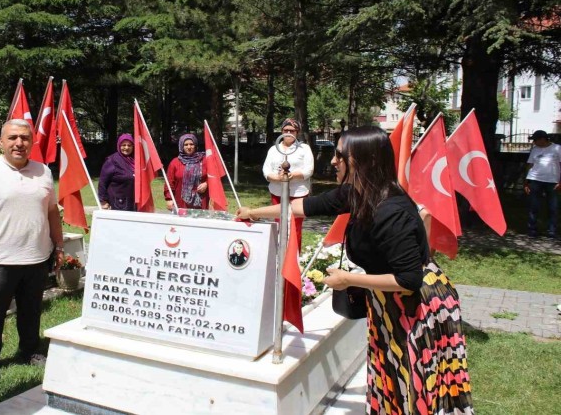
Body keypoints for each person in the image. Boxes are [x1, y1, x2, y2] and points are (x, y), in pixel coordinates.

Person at [237, 126, 473, 414]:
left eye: (340, 155)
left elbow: (409, 279)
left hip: (418, 306)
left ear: (363, 160)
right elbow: (303, 207)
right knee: (391, 376)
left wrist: (348, 279)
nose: (333, 161)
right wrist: (254, 213)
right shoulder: (358, 193)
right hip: (390, 301)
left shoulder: (391, 210)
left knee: (415, 383)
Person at [0, 119, 65, 381]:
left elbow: (52, 211)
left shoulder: (43, 171)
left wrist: (59, 244)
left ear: (32, 141)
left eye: (24, 138)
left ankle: (30, 350)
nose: (19, 143)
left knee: (31, 308)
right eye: (12, 138)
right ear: (1, 142)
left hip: (36, 256)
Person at [262, 118, 314, 247]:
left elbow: (309, 170)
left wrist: (292, 175)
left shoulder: (304, 149)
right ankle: (278, 256)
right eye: (286, 130)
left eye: (292, 131)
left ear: (297, 132)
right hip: (277, 192)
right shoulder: (274, 149)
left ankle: (294, 259)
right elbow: (266, 169)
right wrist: (276, 178)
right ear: (281, 131)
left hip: (298, 194)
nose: (288, 133)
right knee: (279, 224)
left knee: (295, 227)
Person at [524, 130, 561, 238]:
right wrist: (526, 182)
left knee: (552, 207)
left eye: (535, 140)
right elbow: (530, 165)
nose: (534, 143)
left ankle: (551, 231)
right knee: (533, 206)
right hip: (535, 179)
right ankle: (532, 230)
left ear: (543, 139)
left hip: (552, 181)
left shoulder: (557, 148)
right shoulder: (535, 150)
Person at [165, 133, 208, 210]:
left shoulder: (204, 160)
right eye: (186, 144)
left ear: (195, 145)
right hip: (181, 203)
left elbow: (214, 177)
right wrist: (169, 199)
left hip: (202, 203)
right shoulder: (175, 163)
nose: (189, 147)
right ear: (181, 146)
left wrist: (206, 184)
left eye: (191, 144)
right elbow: (169, 182)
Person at [98, 133, 136, 211]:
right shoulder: (112, 160)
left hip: (133, 203)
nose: (126, 147)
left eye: (129, 145)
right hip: (118, 203)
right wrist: (103, 201)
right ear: (119, 145)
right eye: (123, 145)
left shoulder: (136, 160)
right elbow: (102, 182)